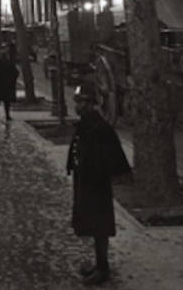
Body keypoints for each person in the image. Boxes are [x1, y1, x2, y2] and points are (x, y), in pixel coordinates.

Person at [67, 82, 131, 286]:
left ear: (90, 104)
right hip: (86, 181)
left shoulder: (99, 127)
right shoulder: (86, 123)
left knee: (99, 226)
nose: (76, 105)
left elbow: (111, 156)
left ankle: (103, 268)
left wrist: (99, 173)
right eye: (77, 101)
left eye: (80, 101)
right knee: (91, 224)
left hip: (96, 184)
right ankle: (98, 264)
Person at [0, 49, 18, 121]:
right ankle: (7, 116)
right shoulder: (10, 64)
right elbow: (16, 73)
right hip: (7, 86)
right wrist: (12, 80)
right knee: (7, 102)